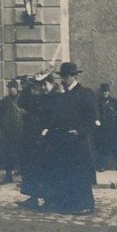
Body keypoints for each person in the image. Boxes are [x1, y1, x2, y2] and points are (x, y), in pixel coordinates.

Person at [41, 62, 98, 215]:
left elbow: (93, 119)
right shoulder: (63, 95)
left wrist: (79, 131)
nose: (63, 80)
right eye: (62, 77)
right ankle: (70, 204)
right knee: (67, 174)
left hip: (79, 142)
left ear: (74, 76)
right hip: (64, 142)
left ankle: (86, 205)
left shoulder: (85, 93)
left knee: (81, 175)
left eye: (66, 77)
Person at [16, 75, 52, 210]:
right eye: (38, 87)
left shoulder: (49, 98)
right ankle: (33, 198)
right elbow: (22, 102)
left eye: (42, 86)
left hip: (43, 140)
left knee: (43, 170)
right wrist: (31, 85)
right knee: (31, 170)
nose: (40, 89)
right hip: (31, 139)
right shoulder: (34, 99)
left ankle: (48, 200)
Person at [94, 83, 117, 172]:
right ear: (101, 92)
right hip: (103, 130)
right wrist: (98, 124)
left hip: (114, 129)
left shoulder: (114, 102)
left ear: (109, 92)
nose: (105, 93)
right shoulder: (97, 103)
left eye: (107, 91)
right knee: (103, 149)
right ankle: (101, 166)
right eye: (103, 91)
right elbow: (94, 115)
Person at [0, 79, 24, 184]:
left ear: (16, 88)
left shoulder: (22, 99)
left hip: (20, 131)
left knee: (20, 154)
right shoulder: (5, 100)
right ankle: (8, 176)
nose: (9, 90)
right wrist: (2, 126)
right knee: (7, 154)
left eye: (11, 88)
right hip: (8, 132)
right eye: (8, 88)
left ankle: (23, 178)